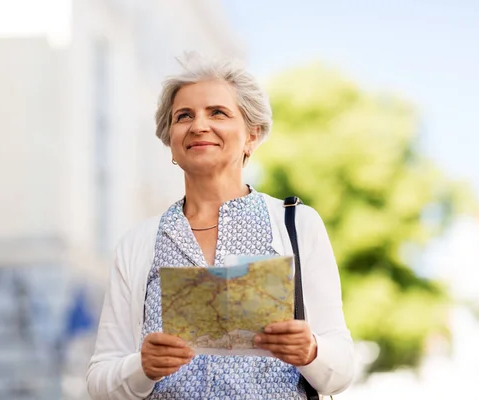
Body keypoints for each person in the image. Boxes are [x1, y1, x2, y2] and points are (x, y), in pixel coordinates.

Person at [86, 54, 355, 399]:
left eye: (217, 113)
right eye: (184, 116)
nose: (199, 125)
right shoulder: (139, 243)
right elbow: (99, 381)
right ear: (171, 142)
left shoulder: (297, 225)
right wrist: (141, 367)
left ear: (251, 136)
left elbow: (342, 368)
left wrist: (312, 351)